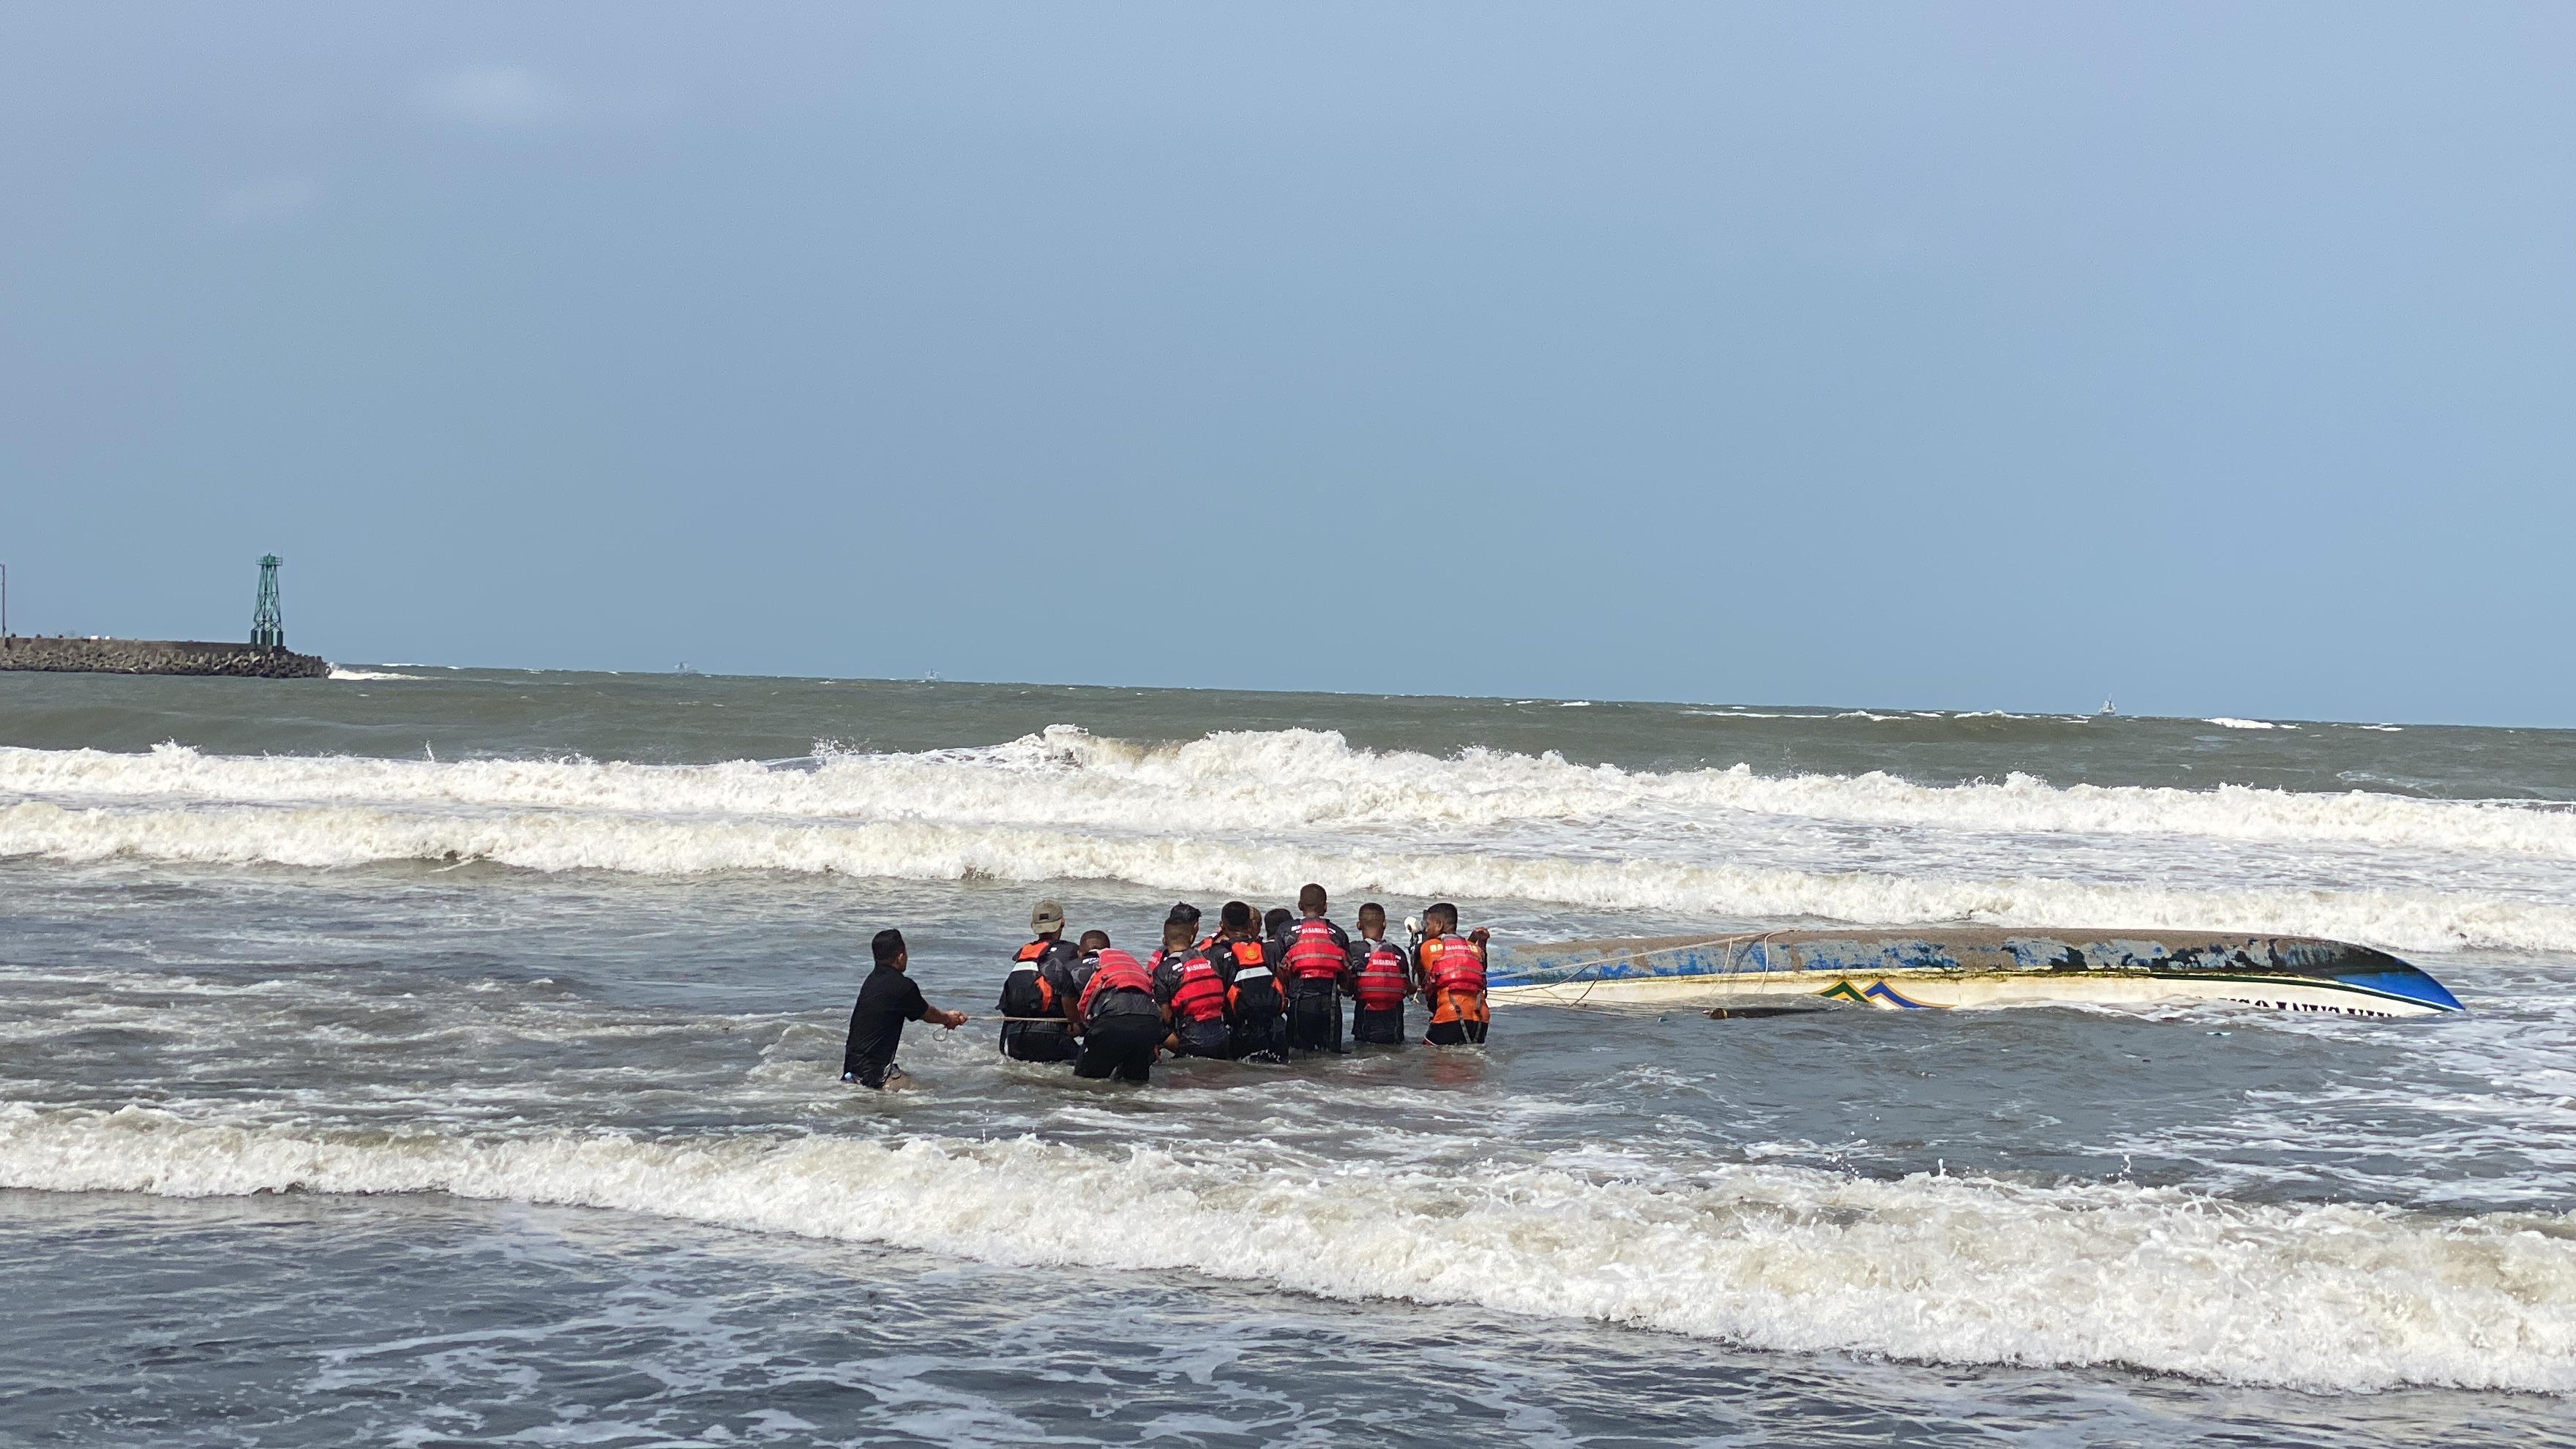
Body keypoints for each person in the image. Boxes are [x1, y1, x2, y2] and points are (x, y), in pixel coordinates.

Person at [841, 928, 968, 1089]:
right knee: (932, 1094)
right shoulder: (903, 986)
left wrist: (947, 1017)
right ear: (900, 957)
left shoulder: (871, 981)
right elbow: (927, 1014)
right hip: (875, 1075)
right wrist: (949, 1019)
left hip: (852, 1070)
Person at [997, 899, 1082, 1063]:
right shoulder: (1072, 951)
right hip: (1052, 1036)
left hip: (1014, 1037)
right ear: (1062, 922)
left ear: (1033, 925)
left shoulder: (1023, 953)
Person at [1072, 932, 1163, 1083]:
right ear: (1108, 949)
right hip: (1149, 1024)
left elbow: (1071, 1010)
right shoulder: (1129, 962)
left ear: (1080, 953)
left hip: (1112, 1023)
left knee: (1085, 1082)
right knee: (1135, 1084)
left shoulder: (1076, 966)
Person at [1273, 883, 1351, 1054]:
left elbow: (1279, 968)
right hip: (1330, 1005)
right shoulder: (1338, 933)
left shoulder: (1286, 931)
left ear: (1300, 906)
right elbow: (1347, 974)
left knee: (1299, 1056)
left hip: (1300, 1002)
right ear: (1326, 907)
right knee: (1331, 1056)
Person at [1150, 917, 1231, 1060]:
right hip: (1221, 1037)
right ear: (1192, 938)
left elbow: (1166, 1016)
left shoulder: (1163, 970)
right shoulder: (1210, 961)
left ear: (1164, 940)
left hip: (1191, 1040)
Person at [1214, 901, 1284, 1061]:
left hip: (1240, 1030)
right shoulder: (1269, 949)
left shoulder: (1218, 954)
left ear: (1222, 925)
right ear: (1249, 924)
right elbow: (1282, 982)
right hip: (1274, 1028)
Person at [1416, 903, 1491, 1047]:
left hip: (1449, 1015)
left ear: (1439, 925)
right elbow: (1471, 964)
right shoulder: (1475, 948)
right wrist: (1481, 941)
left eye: (1427, 924)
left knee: (1431, 1061)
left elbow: (1424, 982)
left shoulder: (1427, 947)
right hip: (1481, 1018)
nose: (1425, 928)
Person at [1348, 902, 1413, 1045]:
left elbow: (1346, 982)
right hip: (1394, 1021)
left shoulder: (1353, 950)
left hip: (1365, 1017)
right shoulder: (1398, 953)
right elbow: (1406, 985)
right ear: (1384, 924)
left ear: (1359, 925)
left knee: (1365, 1054)